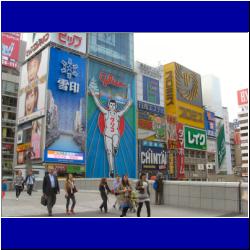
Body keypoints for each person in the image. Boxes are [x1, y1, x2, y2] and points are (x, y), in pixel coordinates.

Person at [90, 87, 132, 177]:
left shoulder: (117, 114)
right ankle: (111, 169)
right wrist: (94, 95)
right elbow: (99, 106)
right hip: (107, 134)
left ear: (115, 106)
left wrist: (128, 104)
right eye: (111, 105)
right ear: (109, 106)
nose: (112, 107)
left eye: (113, 105)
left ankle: (116, 147)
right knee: (109, 152)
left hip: (115, 133)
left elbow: (124, 110)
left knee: (116, 139)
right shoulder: (106, 113)